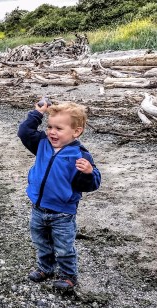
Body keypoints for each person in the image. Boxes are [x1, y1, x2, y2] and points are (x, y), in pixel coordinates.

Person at [17, 98, 101, 290]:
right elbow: (24, 132)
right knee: (41, 241)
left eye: (59, 128)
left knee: (64, 247)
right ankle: (45, 268)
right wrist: (37, 114)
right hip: (38, 206)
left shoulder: (80, 155)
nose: (52, 132)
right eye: (50, 126)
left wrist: (88, 173)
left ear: (76, 131)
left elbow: (91, 184)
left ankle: (69, 275)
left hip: (62, 212)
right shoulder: (42, 144)